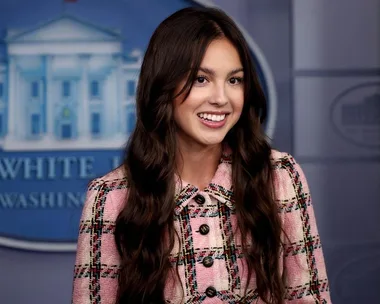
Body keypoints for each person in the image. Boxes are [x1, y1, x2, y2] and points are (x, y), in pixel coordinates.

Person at [71, 6, 331, 304]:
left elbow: (310, 297)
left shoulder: (280, 175)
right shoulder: (111, 196)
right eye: (201, 79)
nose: (221, 98)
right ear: (162, 87)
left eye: (234, 80)